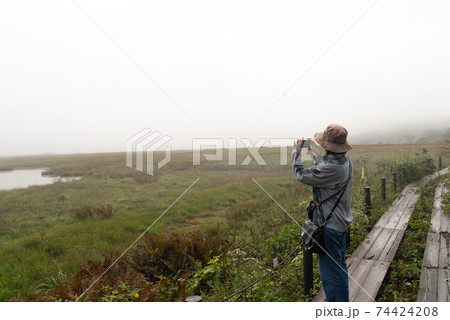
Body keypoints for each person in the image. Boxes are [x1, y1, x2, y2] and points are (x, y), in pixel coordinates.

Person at [292, 124, 353, 302]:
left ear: (328, 146)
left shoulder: (331, 168)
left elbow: (301, 174)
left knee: (331, 273)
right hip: (340, 224)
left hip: (330, 227)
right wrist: (315, 152)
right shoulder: (345, 162)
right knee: (339, 267)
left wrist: (297, 150)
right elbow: (325, 169)